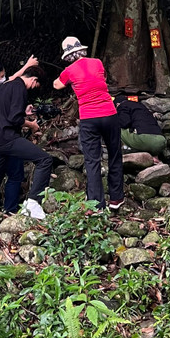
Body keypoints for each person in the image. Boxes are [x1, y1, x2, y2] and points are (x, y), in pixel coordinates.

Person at [0, 65, 53, 222]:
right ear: (34, 79)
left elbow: (7, 112)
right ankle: (33, 203)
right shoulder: (20, 88)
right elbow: (14, 118)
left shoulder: (7, 85)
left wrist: (24, 112)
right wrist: (31, 124)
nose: (34, 88)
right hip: (8, 138)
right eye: (36, 85)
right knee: (45, 160)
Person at [53, 37, 124, 211]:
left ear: (67, 56)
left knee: (92, 160)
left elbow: (57, 85)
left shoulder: (69, 71)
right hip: (109, 114)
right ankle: (116, 199)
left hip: (89, 118)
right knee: (115, 155)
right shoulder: (97, 62)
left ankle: (97, 205)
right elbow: (103, 78)